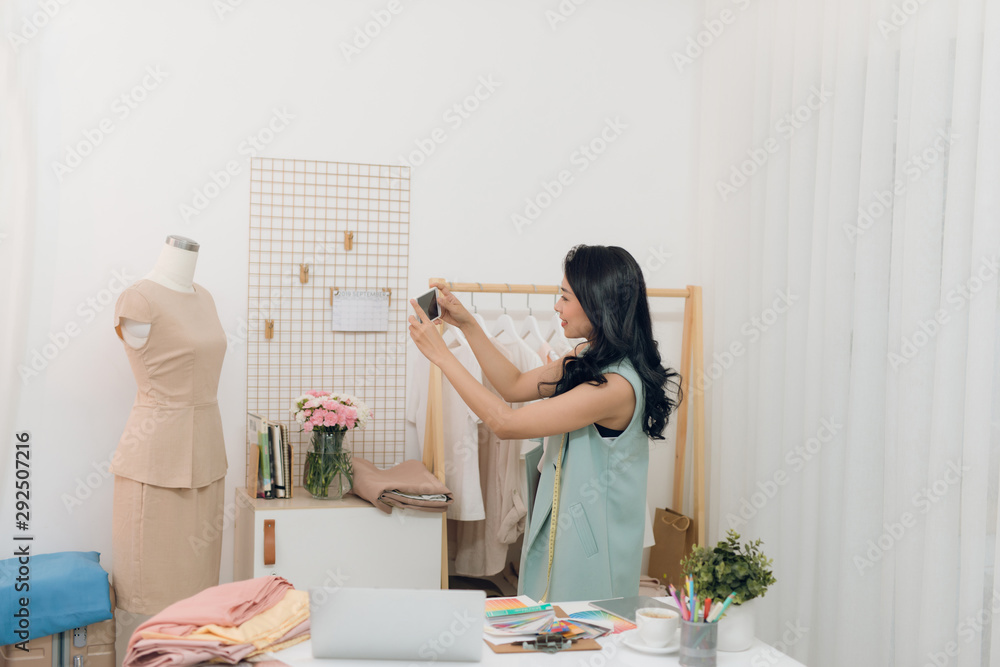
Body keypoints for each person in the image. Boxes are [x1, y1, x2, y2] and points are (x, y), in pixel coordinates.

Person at [408, 244, 681, 602]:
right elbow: (515, 385)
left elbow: (505, 422)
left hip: (595, 549)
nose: (557, 307)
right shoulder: (588, 356)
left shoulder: (616, 387)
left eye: (565, 297)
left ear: (598, 302)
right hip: (567, 531)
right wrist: (467, 324)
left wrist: (442, 356)